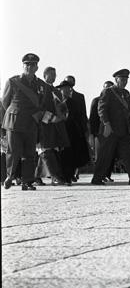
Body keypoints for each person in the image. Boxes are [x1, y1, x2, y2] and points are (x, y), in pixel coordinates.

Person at [2, 53, 56, 191]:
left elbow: (43, 103)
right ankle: (10, 176)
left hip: (31, 122)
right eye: (27, 64)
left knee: (30, 153)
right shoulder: (13, 81)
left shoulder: (41, 85)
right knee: (13, 151)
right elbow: (5, 102)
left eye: (33, 65)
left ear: (37, 67)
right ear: (23, 66)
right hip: (15, 122)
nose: (30, 67)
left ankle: (27, 181)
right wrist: (13, 114)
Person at [91, 69, 130, 186]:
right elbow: (101, 109)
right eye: (122, 79)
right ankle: (97, 178)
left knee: (128, 154)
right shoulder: (108, 92)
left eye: (126, 79)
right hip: (111, 129)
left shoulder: (126, 93)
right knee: (105, 155)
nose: (124, 82)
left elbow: (128, 111)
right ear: (116, 80)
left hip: (124, 130)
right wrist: (106, 124)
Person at [57, 80, 91, 183]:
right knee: (62, 155)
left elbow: (79, 116)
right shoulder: (57, 102)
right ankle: (62, 175)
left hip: (72, 132)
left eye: (68, 88)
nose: (67, 90)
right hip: (61, 131)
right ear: (60, 90)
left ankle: (69, 176)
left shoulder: (73, 102)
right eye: (64, 88)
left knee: (71, 155)